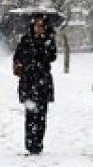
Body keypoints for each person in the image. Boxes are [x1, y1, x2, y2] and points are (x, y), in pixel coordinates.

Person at [12, 15, 57, 155]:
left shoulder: (49, 40)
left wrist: (42, 50)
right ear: (33, 26)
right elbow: (18, 57)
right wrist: (25, 59)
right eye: (37, 25)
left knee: (41, 116)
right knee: (30, 115)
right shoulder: (26, 40)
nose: (39, 28)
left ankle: (38, 144)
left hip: (43, 83)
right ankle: (30, 144)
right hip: (28, 82)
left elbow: (52, 56)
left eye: (41, 26)